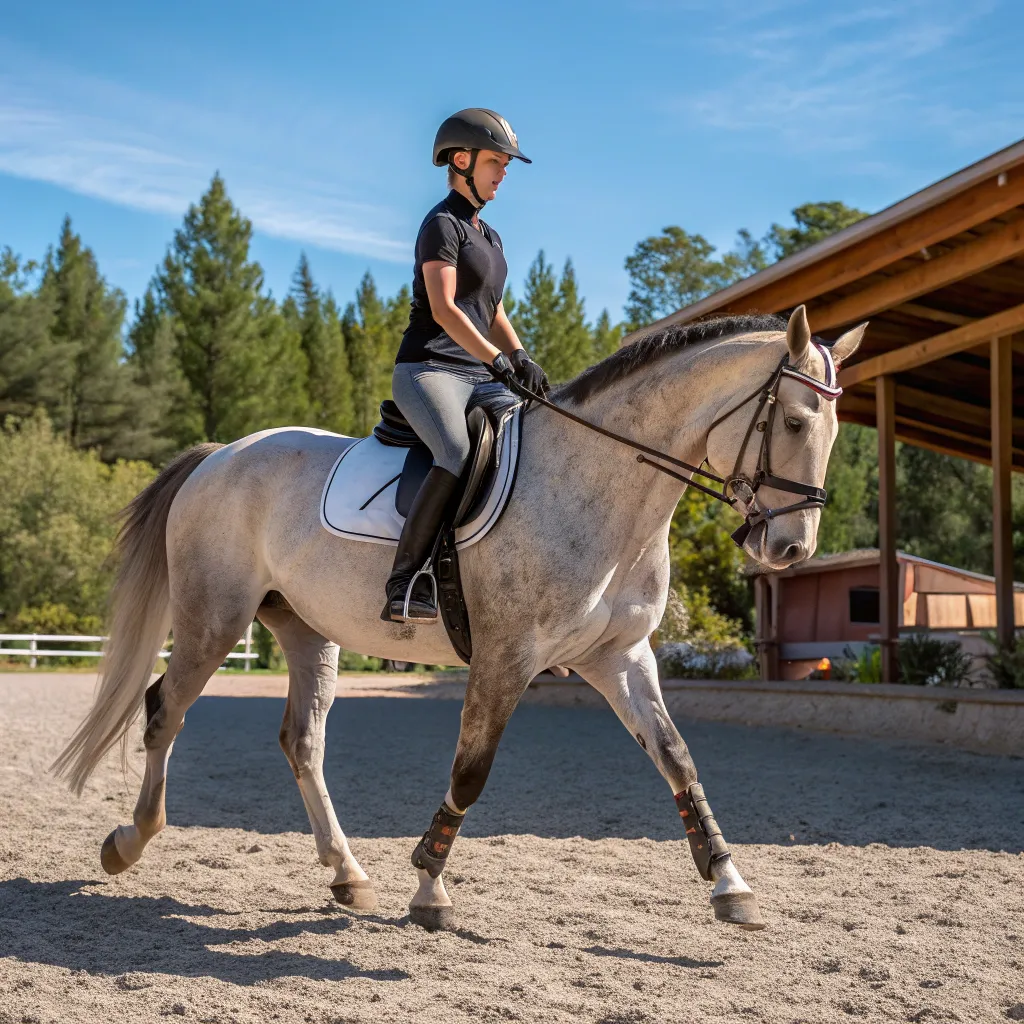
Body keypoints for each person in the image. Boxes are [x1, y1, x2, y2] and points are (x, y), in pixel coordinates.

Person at [382, 108, 549, 624]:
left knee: (537, 440)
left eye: (507, 164)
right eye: (496, 161)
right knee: (454, 449)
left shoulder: (491, 238)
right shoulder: (440, 225)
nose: (503, 172)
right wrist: (495, 358)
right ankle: (405, 580)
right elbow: (445, 309)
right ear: (462, 160)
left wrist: (520, 355)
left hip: (481, 374)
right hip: (429, 369)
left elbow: (491, 309)